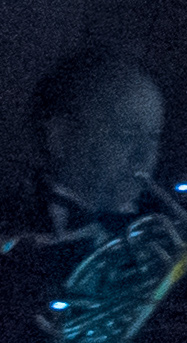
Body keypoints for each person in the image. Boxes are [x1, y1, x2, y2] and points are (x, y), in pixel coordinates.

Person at [21, 42, 169, 237]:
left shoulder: (163, 225)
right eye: (127, 135)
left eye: (153, 137)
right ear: (60, 136)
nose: (145, 157)